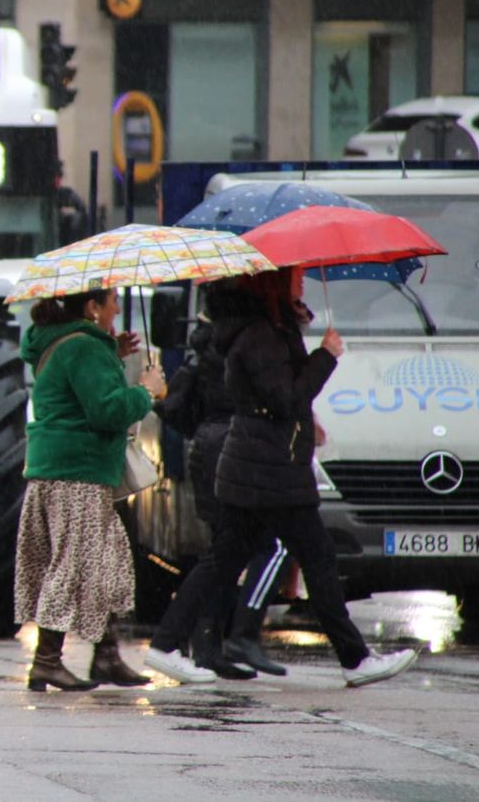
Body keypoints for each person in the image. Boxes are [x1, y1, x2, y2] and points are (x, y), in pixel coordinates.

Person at [144, 269, 420, 687]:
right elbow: (285, 397)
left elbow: (278, 394)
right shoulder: (260, 335)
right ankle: (355, 658)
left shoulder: (265, 328)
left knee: (226, 559)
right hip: (271, 470)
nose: (302, 282)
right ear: (271, 284)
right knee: (317, 557)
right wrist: (325, 356)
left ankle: (165, 644)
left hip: (261, 465)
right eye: (295, 277)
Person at [14, 286, 166, 691]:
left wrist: (110, 354)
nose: (118, 307)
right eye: (112, 300)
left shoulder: (70, 342)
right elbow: (107, 410)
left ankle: (106, 656)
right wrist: (147, 390)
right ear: (92, 307)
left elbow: (72, 388)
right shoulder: (84, 346)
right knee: (74, 564)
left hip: (58, 468)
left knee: (108, 562)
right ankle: (46, 661)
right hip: (77, 474)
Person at [159, 280, 292, 679]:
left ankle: (207, 644)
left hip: (206, 445)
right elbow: (281, 394)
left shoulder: (202, 347)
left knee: (225, 552)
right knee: (270, 545)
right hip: (237, 447)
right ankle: (233, 634)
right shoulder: (245, 343)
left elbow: (176, 410)